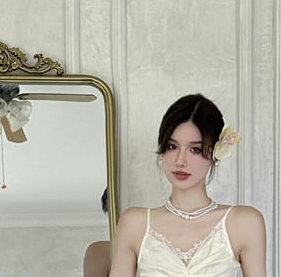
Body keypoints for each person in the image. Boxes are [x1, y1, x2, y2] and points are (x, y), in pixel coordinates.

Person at [109, 94, 266, 277]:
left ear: (215, 154)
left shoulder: (244, 223)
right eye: (172, 146)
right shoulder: (134, 223)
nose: (180, 160)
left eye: (195, 149)